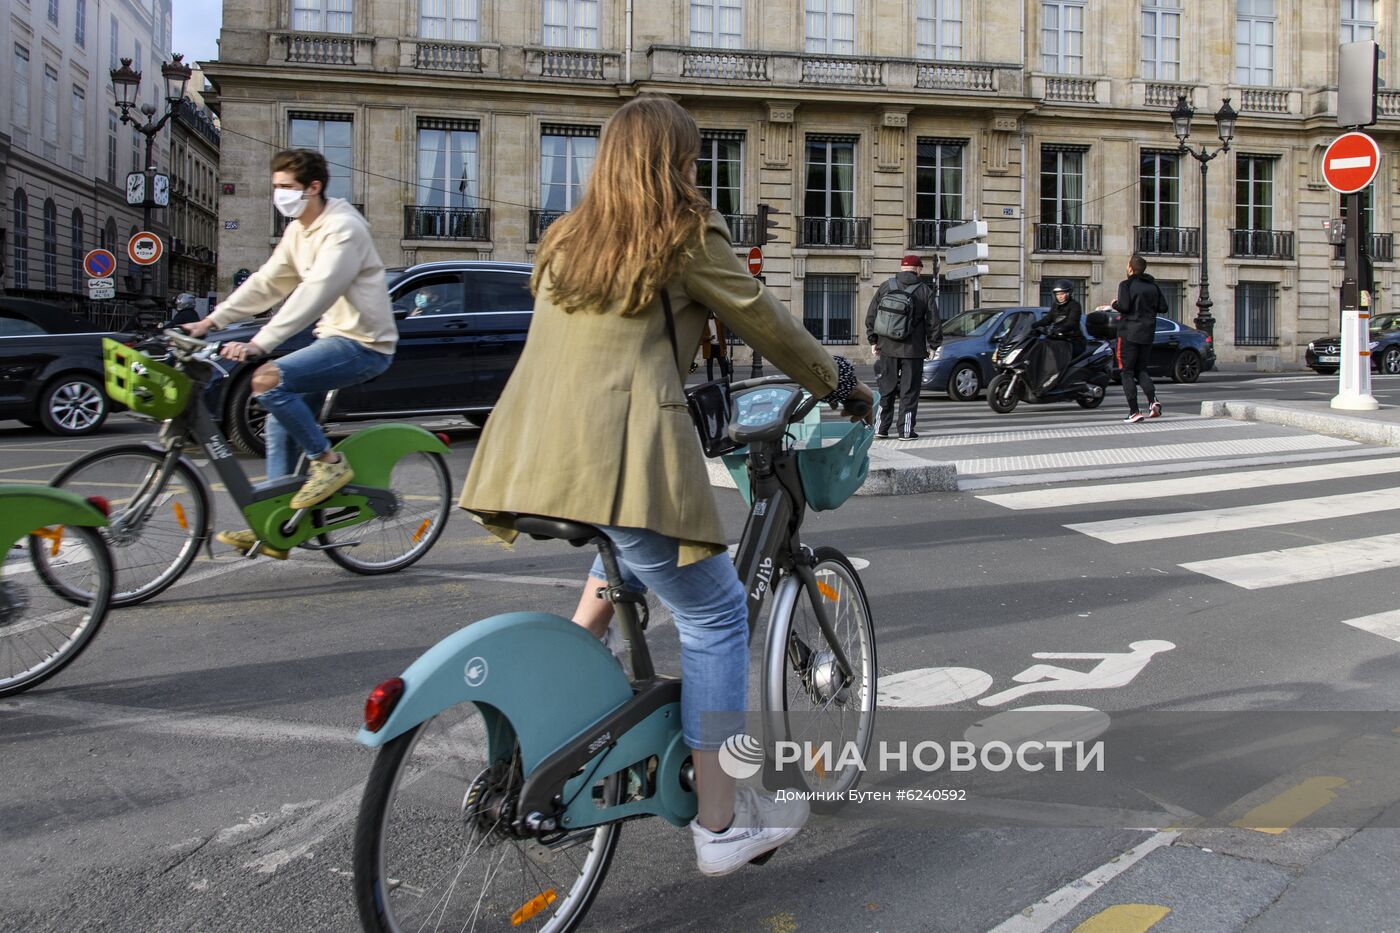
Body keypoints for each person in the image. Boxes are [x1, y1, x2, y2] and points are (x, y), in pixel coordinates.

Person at [458, 96, 873, 877]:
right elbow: (767, 320)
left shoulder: (566, 239)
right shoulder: (681, 233)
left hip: (535, 454)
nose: (694, 169)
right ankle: (719, 822)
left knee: (614, 576)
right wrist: (839, 378)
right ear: (675, 162)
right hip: (620, 454)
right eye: (689, 158)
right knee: (716, 613)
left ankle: (546, 737)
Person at [181, 149, 397, 557]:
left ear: (313, 188)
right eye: (276, 187)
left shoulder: (343, 228)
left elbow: (316, 293)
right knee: (279, 418)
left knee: (267, 380)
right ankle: (273, 522)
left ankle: (328, 464)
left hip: (364, 344)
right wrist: (211, 322)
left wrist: (260, 343)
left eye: (286, 187)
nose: (278, 194)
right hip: (331, 339)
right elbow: (267, 283)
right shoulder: (299, 230)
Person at [865, 254, 940, 440]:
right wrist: (933, 345)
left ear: (901, 267)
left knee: (886, 389)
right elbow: (933, 321)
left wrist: (873, 341)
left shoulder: (886, 286)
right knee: (909, 391)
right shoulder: (924, 291)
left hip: (887, 348)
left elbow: (871, 315)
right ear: (919, 269)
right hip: (913, 351)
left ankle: (880, 429)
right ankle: (905, 431)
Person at [1111, 254, 1166, 423]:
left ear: (1130, 268)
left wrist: (1114, 304)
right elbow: (1164, 307)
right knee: (1141, 370)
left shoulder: (1126, 285)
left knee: (1126, 372)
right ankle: (1153, 401)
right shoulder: (1153, 287)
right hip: (1147, 333)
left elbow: (1125, 306)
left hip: (1128, 333)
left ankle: (1134, 411)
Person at [1030, 280, 1084, 391]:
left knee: (1055, 357)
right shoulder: (1055, 306)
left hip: (1071, 340)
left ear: (1068, 293)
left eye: (1062, 294)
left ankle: (1054, 382)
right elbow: (1048, 319)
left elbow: (1072, 322)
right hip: (1057, 339)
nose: (1060, 296)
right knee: (1039, 349)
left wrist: (1059, 330)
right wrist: (1034, 325)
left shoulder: (1075, 306)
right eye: (1057, 294)